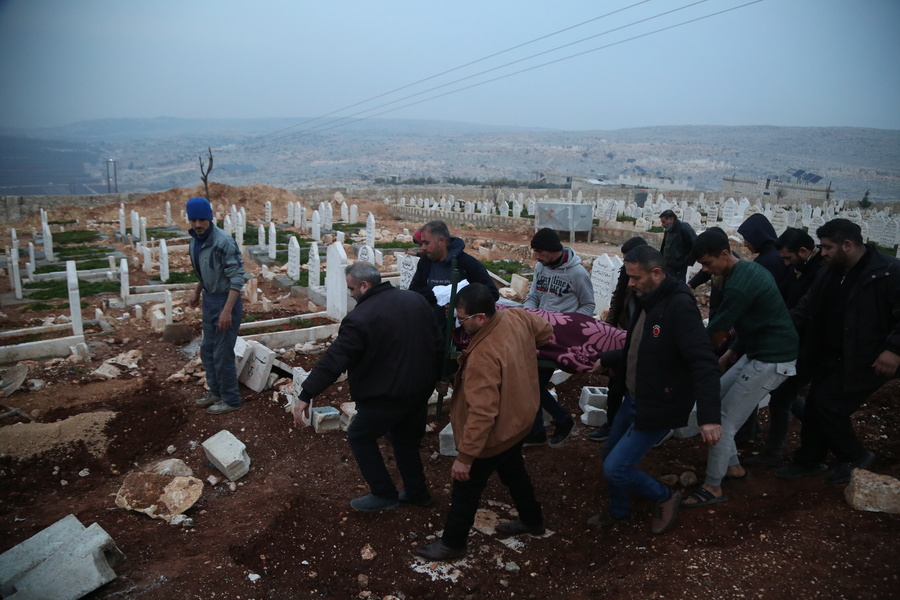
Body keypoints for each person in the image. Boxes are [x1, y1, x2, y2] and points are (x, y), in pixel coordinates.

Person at [587, 246, 721, 534]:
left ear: (657, 273)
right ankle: (619, 512)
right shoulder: (647, 299)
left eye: (635, 278)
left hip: (658, 405)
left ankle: (665, 496)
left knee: (616, 468)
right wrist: (607, 360)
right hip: (634, 398)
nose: (630, 284)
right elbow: (640, 347)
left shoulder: (679, 306)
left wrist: (709, 415)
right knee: (610, 457)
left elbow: (703, 361)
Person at [415, 284, 552, 561]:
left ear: (481, 318)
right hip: (519, 421)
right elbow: (546, 332)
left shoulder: (482, 358)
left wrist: (465, 456)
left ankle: (453, 542)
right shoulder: (516, 317)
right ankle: (532, 520)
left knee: (466, 487)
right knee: (513, 470)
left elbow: (482, 412)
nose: (459, 323)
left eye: (462, 318)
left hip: (496, 431)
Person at [294, 262, 443, 511]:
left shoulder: (360, 318)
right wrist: (436, 377)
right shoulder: (415, 300)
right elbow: (436, 341)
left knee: (360, 436)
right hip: (419, 389)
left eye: (351, 289)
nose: (351, 294)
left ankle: (384, 493)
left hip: (387, 395)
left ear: (364, 285)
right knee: (405, 439)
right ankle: (418, 493)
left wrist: (306, 393)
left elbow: (335, 360)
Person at [776, 218, 900, 484]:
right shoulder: (830, 270)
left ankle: (854, 455)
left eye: (827, 247)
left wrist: (894, 349)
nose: (823, 253)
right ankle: (810, 459)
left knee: (830, 406)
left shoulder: (889, 271)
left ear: (847, 245)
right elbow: (806, 307)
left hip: (869, 357)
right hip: (829, 352)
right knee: (814, 406)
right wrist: (778, 330)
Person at [682, 229, 798, 507]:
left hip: (773, 358)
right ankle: (733, 468)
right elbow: (749, 321)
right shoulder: (740, 272)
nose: (706, 270)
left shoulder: (740, 283)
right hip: (756, 350)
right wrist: (728, 356)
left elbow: (719, 329)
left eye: (708, 264)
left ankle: (713, 487)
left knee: (721, 420)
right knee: (718, 399)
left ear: (725, 254)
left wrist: (696, 357)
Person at [745, 228, 824, 467]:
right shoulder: (800, 268)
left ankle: (774, 452)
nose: (786, 264)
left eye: (789, 258)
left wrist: (778, 329)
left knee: (782, 397)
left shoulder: (821, 273)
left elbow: (805, 309)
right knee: (785, 395)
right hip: (796, 339)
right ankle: (818, 428)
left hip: (811, 344)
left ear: (803, 251)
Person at [522, 227, 594, 447]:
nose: (536, 256)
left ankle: (562, 421)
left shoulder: (577, 273)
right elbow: (534, 295)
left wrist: (568, 325)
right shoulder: (541, 268)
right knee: (530, 382)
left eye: (540, 252)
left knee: (531, 384)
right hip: (537, 333)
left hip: (559, 339)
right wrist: (528, 314)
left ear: (553, 251)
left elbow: (588, 305)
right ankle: (537, 431)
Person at [187, 196, 248, 415]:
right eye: (193, 220)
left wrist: (227, 311)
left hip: (225, 300)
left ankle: (231, 399)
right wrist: (196, 293)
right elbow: (205, 271)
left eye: (201, 220)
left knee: (223, 353)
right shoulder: (195, 240)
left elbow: (237, 279)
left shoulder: (223, 241)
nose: (197, 225)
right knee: (208, 350)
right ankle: (216, 391)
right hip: (209, 299)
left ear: (210, 218)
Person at [587, 236, 648, 443]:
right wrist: (609, 331)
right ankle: (612, 424)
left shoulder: (650, 282)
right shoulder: (626, 275)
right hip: (625, 336)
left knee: (636, 387)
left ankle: (642, 428)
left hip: (643, 341)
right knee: (615, 386)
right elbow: (616, 302)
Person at [409, 220, 499, 332]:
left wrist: (460, 306)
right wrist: (438, 297)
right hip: (430, 330)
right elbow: (414, 290)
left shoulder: (467, 263)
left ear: (441, 241)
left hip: (460, 336)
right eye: (422, 243)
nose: (423, 247)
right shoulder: (425, 262)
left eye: (427, 243)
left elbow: (492, 294)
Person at [659, 209, 697, 282]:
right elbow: (664, 246)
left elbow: (696, 244)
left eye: (664, 222)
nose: (662, 225)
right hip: (667, 265)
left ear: (672, 219)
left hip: (679, 267)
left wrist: (687, 261)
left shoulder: (684, 228)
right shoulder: (668, 229)